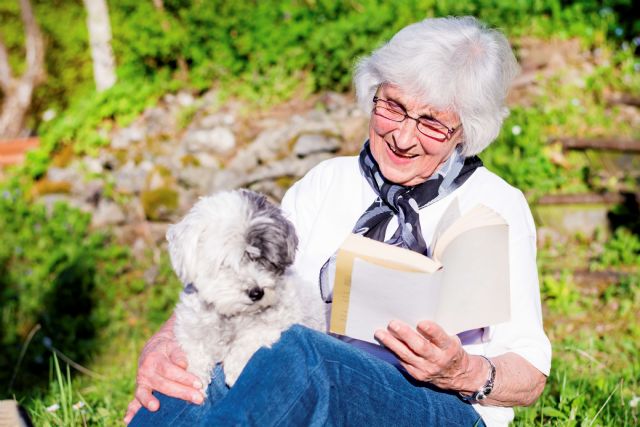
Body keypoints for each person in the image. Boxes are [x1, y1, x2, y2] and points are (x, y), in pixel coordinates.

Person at [125, 16, 551, 427]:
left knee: (297, 353)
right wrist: (165, 343)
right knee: (200, 374)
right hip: (304, 383)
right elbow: (240, 279)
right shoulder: (325, 182)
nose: (403, 138)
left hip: (437, 408)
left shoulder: (496, 205)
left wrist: (462, 371)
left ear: (464, 131)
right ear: (372, 93)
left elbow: (530, 376)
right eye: (394, 107)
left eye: (432, 124)